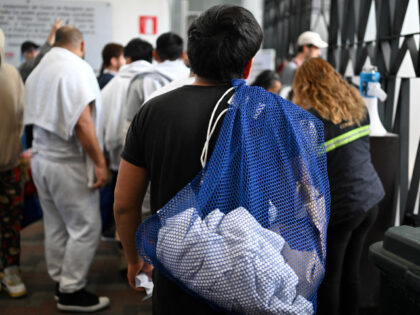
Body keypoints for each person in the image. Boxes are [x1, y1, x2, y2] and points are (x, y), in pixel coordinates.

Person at [114, 5, 263, 314]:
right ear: (247, 67)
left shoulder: (153, 112)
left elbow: (125, 204)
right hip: (248, 270)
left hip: (175, 268)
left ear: (190, 58)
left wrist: (134, 259)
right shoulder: (263, 114)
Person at [24, 26, 110, 312]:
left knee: (56, 224)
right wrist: (100, 162)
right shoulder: (76, 67)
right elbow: (82, 122)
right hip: (67, 163)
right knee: (85, 226)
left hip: (41, 158)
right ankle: (72, 291)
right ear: (82, 45)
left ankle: (60, 280)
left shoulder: (40, 67)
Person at [292, 58, 385, 315]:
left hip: (343, 208)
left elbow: (303, 174)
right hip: (370, 200)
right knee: (350, 272)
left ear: (305, 85)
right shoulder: (357, 107)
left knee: (330, 277)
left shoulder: (310, 120)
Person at [100, 38, 154, 242]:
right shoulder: (161, 80)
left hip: (118, 158)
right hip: (150, 159)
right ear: (152, 56)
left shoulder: (113, 84)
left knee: (122, 207)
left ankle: (125, 253)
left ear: (127, 59)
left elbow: (104, 124)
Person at [0, 28, 27, 298]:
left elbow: (20, 116)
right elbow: (20, 118)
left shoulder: (11, 74)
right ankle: (10, 271)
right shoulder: (11, 74)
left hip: (8, 164)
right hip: (8, 161)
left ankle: (9, 270)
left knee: (10, 221)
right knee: (10, 222)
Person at [125, 32, 190, 122]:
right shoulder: (193, 78)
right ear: (183, 55)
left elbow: (130, 120)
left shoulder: (141, 79)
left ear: (155, 54)